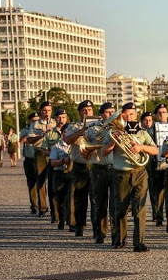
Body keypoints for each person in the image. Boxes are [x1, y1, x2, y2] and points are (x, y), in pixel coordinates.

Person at [102, 102, 158, 252]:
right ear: (121, 115)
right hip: (121, 174)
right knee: (120, 208)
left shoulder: (142, 132)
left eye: (132, 114)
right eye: (126, 114)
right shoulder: (113, 131)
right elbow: (104, 152)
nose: (129, 117)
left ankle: (139, 243)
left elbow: (155, 150)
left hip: (139, 172)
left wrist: (141, 147)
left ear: (136, 115)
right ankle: (119, 239)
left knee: (140, 208)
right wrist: (114, 143)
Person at [63, 100, 95, 238]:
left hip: (95, 166)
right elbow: (67, 140)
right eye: (84, 110)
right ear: (79, 113)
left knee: (96, 199)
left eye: (89, 109)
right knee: (80, 198)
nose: (87, 112)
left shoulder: (99, 125)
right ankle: (79, 226)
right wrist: (81, 131)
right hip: (79, 166)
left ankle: (98, 229)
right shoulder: (73, 126)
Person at [86, 102, 116, 244]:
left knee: (116, 203)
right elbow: (83, 141)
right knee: (100, 202)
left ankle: (117, 233)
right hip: (99, 167)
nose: (110, 114)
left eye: (112, 111)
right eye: (107, 112)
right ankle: (100, 232)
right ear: (101, 114)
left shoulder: (119, 128)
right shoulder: (93, 128)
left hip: (115, 167)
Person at [41, 109, 69, 227]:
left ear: (66, 118)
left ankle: (67, 216)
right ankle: (55, 215)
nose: (60, 119)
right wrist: (54, 154)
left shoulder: (70, 130)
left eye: (63, 117)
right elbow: (43, 149)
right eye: (58, 117)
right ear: (55, 119)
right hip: (54, 164)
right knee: (53, 192)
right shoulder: (50, 133)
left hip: (68, 167)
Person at [26, 101, 54, 217]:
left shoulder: (55, 122)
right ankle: (42, 207)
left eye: (48, 110)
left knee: (53, 181)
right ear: (40, 111)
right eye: (44, 110)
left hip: (54, 152)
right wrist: (41, 135)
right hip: (40, 152)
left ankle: (55, 209)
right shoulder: (35, 124)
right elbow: (29, 140)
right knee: (40, 180)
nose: (46, 113)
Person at [146, 104, 168, 226]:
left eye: (164, 112)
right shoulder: (151, 129)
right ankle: (158, 216)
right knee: (157, 191)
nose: (162, 115)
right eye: (159, 113)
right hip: (156, 163)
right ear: (156, 115)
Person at [49, 123, 72, 230]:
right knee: (60, 199)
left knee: (71, 198)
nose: (67, 134)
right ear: (62, 134)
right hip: (59, 174)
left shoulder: (75, 146)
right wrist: (63, 160)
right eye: (65, 132)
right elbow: (52, 162)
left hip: (71, 174)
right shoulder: (56, 146)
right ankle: (61, 220)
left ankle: (72, 222)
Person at [20, 113, 39, 213]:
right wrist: (30, 132)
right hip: (29, 159)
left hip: (39, 158)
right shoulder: (25, 130)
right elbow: (21, 140)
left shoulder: (41, 129)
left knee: (41, 183)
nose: (35, 122)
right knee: (31, 182)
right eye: (33, 121)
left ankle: (42, 205)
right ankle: (34, 206)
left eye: (37, 120)